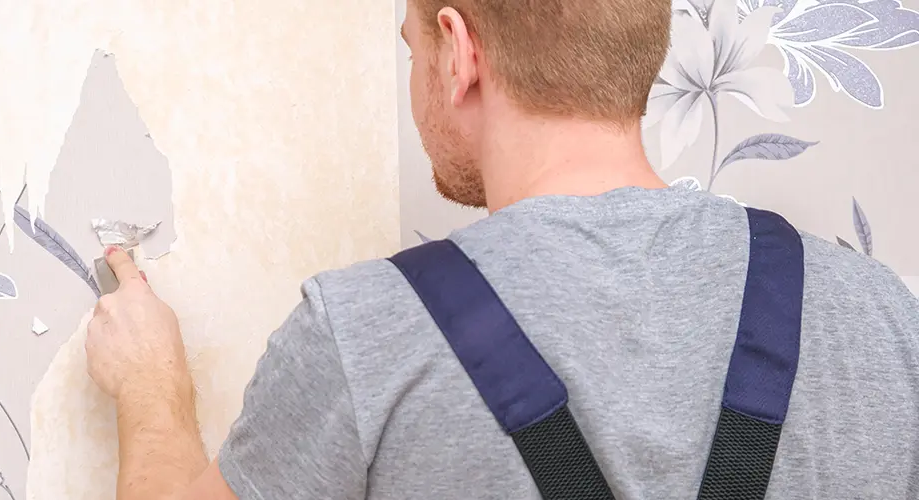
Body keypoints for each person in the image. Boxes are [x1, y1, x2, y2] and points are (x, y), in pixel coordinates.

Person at [85, 0, 919, 498]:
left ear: (460, 51)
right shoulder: (884, 320)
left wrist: (151, 393)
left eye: (414, 50)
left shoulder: (363, 332)